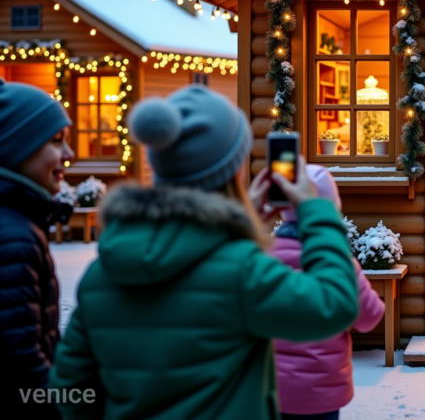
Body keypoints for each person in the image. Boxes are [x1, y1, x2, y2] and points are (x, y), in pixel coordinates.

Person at [50, 85, 359, 420]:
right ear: (233, 171)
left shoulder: (101, 275)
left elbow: (68, 390)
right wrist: (316, 210)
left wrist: (243, 222)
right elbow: (334, 305)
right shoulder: (241, 270)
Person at [270, 164, 384, 420]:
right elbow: (370, 318)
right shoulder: (339, 264)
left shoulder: (263, 257)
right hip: (323, 393)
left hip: (272, 389)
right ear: (332, 207)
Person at [0, 80, 74, 420]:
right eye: (56, 141)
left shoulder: (20, 223)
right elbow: (21, 363)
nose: (69, 155)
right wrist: (75, 404)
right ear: (17, 147)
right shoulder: (14, 237)